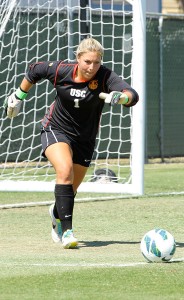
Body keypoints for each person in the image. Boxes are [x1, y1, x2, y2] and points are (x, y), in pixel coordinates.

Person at [5, 37, 139, 249]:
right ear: (78, 58)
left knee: (71, 189)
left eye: (96, 62)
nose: (91, 67)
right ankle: (67, 231)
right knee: (64, 171)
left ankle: (56, 212)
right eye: (87, 62)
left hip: (85, 139)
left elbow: (132, 95)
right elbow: (34, 70)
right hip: (55, 129)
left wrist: (121, 98)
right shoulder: (61, 70)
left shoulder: (105, 76)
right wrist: (18, 96)